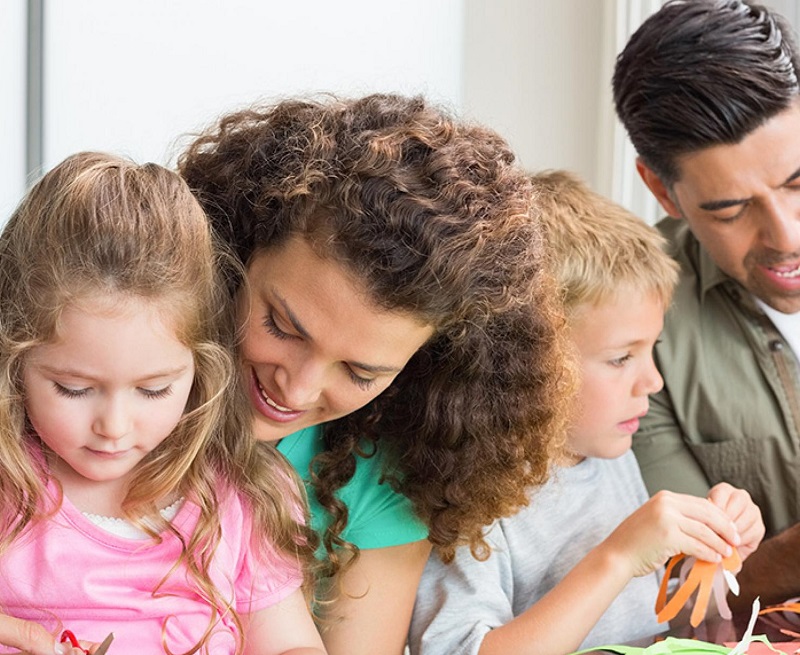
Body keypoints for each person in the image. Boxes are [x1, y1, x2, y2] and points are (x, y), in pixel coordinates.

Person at [178, 93, 572, 654]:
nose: (298, 388)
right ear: (236, 246)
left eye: (360, 372)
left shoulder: (382, 477)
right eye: (282, 326)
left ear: (423, 369)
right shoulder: (101, 389)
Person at [407, 170, 765, 655]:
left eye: (652, 349)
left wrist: (714, 559)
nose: (653, 381)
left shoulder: (610, 456)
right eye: (621, 358)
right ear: (522, 364)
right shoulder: (470, 493)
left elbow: (646, 625)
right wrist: (618, 557)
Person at [0, 152, 326, 655]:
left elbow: (291, 645)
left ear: (201, 368)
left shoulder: (240, 494)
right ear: (14, 360)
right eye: (73, 389)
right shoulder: (10, 484)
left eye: (153, 390)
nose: (114, 426)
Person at [612, 0, 800, 609]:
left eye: (798, 183)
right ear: (662, 190)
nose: (786, 237)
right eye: (731, 209)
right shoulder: (631, 334)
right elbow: (681, 593)